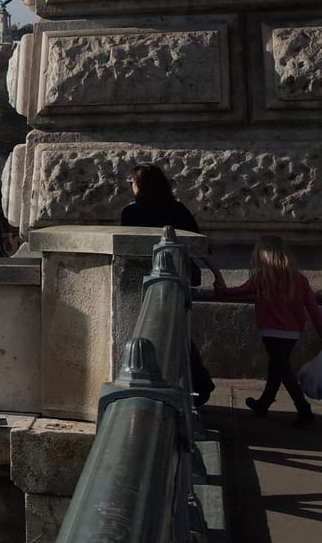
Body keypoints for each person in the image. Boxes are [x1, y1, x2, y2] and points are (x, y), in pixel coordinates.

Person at [119, 163, 214, 407]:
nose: (131, 186)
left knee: (152, 331)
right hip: (180, 278)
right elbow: (198, 242)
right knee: (177, 329)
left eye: (132, 182)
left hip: (146, 280)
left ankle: (180, 382)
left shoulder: (132, 213)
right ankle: (198, 380)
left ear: (139, 185)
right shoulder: (178, 209)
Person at [215, 235, 320, 428]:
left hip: (271, 332)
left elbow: (236, 292)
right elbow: (313, 309)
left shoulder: (262, 279)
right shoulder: (300, 280)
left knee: (282, 369)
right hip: (292, 333)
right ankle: (263, 403)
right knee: (277, 367)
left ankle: (304, 411)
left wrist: (220, 289)